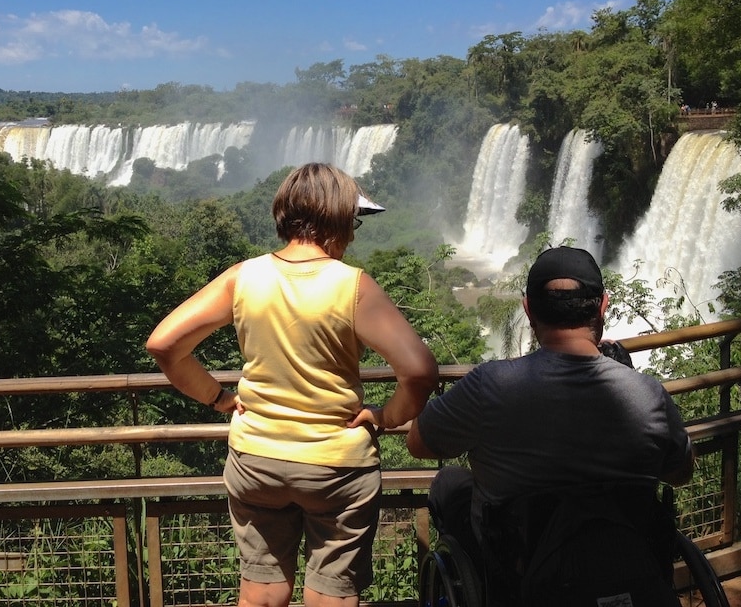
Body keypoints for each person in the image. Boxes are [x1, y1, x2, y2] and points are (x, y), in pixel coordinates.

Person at [146, 162, 439, 607]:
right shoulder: (353, 286)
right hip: (336, 465)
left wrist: (220, 398)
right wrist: (384, 417)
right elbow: (418, 372)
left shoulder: (243, 277)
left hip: (257, 460)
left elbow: (164, 344)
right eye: (353, 222)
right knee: (331, 596)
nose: (354, 234)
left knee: (262, 594)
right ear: (339, 220)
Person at [406, 245, 695, 603]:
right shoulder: (648, 394)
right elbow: (680, 472)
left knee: (449, 483)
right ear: (603, 306)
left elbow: (418, 443)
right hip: (626, 567)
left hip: (519, 577)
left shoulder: (492, 386)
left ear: (528, 310)